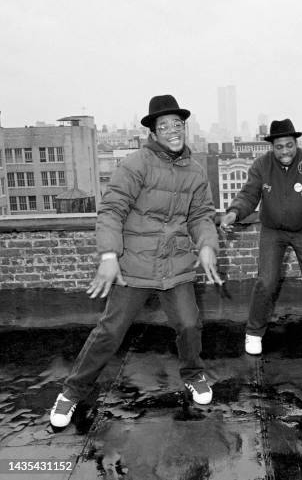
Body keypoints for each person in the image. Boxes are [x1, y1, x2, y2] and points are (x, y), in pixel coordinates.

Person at [50, 95, 222, 428]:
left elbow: (201, 214)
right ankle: (72, 392)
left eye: (178, 124)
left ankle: (193, 373)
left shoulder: (195, 170)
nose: (173, 131)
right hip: (135, 263)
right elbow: (112, 210)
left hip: (176, 264)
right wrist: (110, 255)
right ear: (153, 133)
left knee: (189, 324)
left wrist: (206, 245)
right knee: (111, 331)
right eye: (165, 126)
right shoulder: (136, 164)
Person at [220, 119, 302, 355]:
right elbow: (248, 196)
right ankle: (254, 332)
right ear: (272, 147)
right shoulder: (261, 166)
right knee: (266, 282)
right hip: (273, 231)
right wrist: (233, 213)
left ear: (296, 143)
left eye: (289, 145)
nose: (285, 151)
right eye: (279, 147)